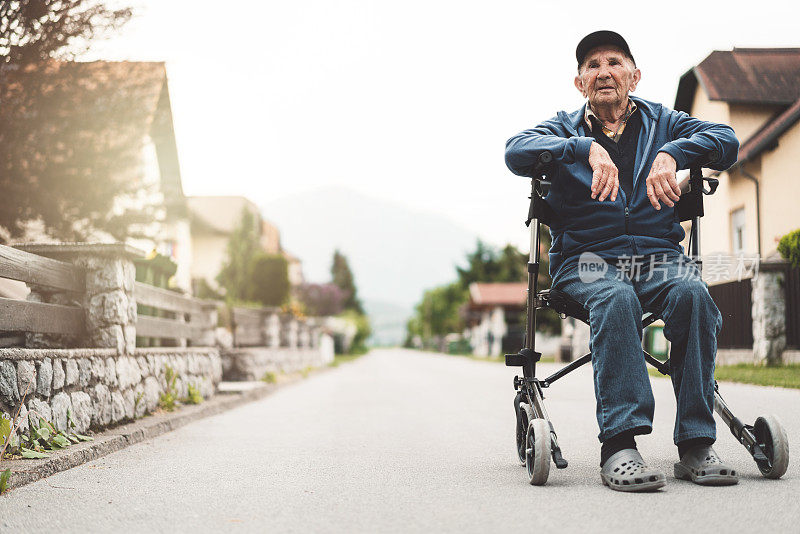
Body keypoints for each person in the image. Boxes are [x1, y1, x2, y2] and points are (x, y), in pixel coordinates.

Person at [504, 30, 740, 492]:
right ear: (580, 83)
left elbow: (726, 141)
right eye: (592, 65)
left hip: (656, 257)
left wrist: (674, 153)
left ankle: (695, 442)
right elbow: (514, 151)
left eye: (614, 62)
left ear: (634, 75)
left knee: (692, 292)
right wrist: (580, 148)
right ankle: (620, 445)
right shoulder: (565, 129)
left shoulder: (665, 123)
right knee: (614, 295)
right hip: (587, 262)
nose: (603, 71)